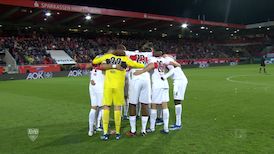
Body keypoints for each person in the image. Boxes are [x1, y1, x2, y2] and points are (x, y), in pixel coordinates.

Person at [92, 46, 145, 141]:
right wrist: (145, 65)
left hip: (108, 86)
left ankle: (105, 133)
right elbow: (138, 64)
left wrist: (105, 58)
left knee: (106, 107)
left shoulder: (108, 57)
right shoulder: (125, 59)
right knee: (117, 108)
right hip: (119, 87)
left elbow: (95, 62)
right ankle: (117, 133)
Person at [134, 51, 178, 134]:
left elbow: (151, 66)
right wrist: (165, 75)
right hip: (165, 84)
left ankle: (152, 128)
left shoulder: (151, 59)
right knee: (164, 106)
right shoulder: (164, 60)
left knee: (153, 106)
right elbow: (174, 66)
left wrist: (141, 71)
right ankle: (166, 128)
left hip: (156, 85)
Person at [125, 50, 153, 136]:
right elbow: (152, 64)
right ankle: (143, 130)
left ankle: (133, 130)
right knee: (145, 103)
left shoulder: (130, 53)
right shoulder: (149, 54)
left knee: (132, 104)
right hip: (146, 77)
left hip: (135, 76)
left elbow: (120, 51)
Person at [162, 54, 188, 130]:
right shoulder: (168, 60)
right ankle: (177, 123)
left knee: (177, 101)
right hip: (179, 81)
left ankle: (178, 124)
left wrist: (164, 77)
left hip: (179, 81)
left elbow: (173, 70)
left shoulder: (166, 60)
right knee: (177, 101)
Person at [88, 64, 104, 136]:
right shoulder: (104, 67)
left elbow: (88, 67)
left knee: (93, 107)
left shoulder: (93, 68)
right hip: (100, 86)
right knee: (103, 107)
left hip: (92, 86)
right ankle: (100, 126)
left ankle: (91, 130)